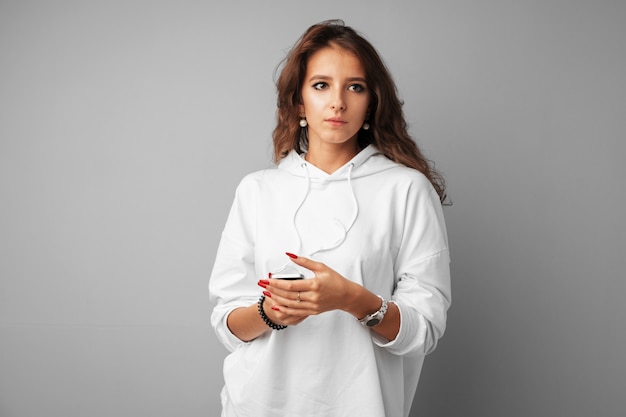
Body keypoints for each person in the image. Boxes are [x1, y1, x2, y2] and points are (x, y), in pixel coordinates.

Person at [209, 20, 451, 417]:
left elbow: (423, 330)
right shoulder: (257, 190)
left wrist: (353, 300)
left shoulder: (406, 190)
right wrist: (271, 313)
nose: (337, 102)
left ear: (372, 101)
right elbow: (227, 323)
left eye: (354, 87)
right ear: (299, 102)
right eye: (321, 85)